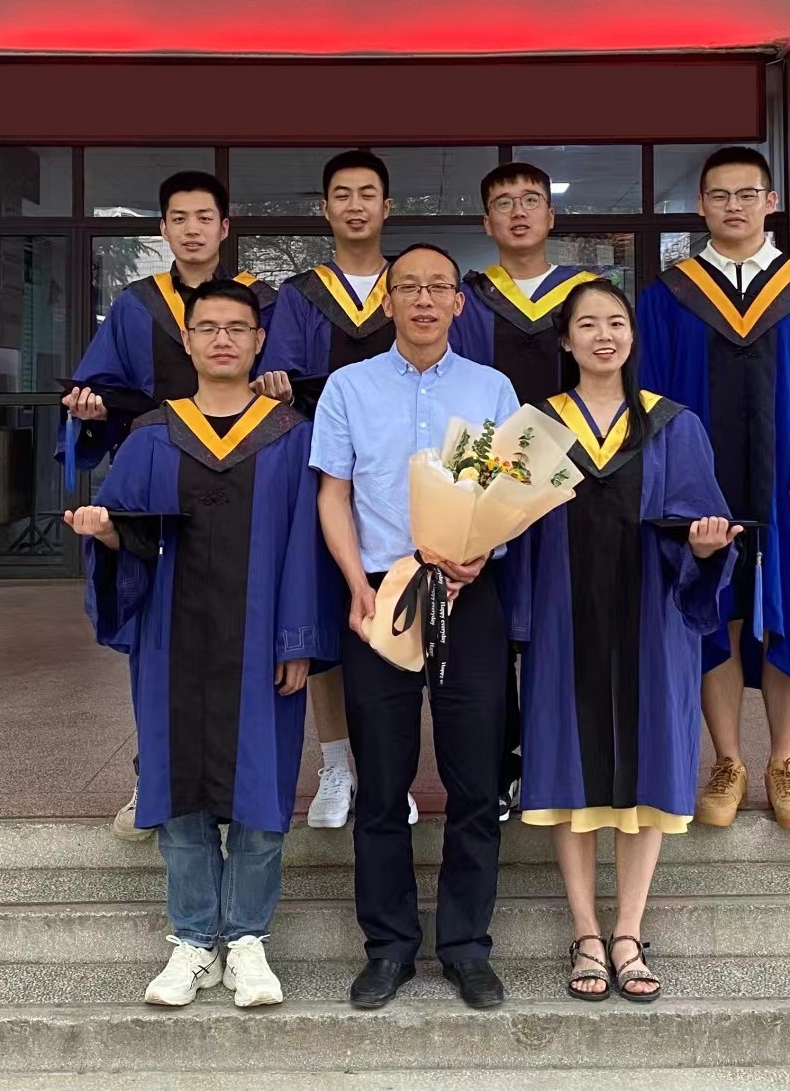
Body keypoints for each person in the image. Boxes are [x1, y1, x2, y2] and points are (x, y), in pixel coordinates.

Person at [65, 279, 338, 1008]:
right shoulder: (152, 435)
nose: (222, 339)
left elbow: (307, 546)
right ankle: (192, 937)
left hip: (262, 642)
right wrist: (104, 533)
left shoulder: (291, 436)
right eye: (208, 327)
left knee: (260, 787)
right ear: (186, 342)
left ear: (258, 342)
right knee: (177, 784)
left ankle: (246, 938)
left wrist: (298, 638)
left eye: (236, 328)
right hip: (172, 639)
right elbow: (128, 531)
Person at [508, 280, 738, 1003]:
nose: (602, 335)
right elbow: (510, 531)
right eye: (587, 324)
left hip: (652, 620)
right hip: (564, 620)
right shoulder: (535, 426)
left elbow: (702, 523)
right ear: (565, 339)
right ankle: (585, 931)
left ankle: (629, 933)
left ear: (632, 336)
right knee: (569, 774)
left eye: (615, 322)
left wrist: (706, 547)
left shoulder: (674, 425)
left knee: (649, 769)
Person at [310, 243, 519, 1011]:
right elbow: (333, 494)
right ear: (387, 300)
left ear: (459, 302)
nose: (424, 299)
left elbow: (507, 490)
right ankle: (389, 946)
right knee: (380, 781)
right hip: (382, 596)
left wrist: (482, 549)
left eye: (438, 287)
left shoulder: (490, 388)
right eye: (409, 287)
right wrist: (354, 584)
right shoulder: (348, 386)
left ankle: (465, 946)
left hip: (471, 597)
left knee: (475, 781)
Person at [637, 147, 790, 832]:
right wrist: (669, 480)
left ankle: (785, 761)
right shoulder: (669, 294)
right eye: (719, 195)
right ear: (701, 205)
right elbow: (649, 392)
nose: (732, 206)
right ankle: (728, 761)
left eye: (746, 194)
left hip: (788, 484)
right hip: (699, 485)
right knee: (712, 611)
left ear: (770, 201)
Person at [57, 170, 278, 842]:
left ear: (224, 227)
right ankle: (152, 773)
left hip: (246, 479)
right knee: (160, 640)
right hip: (161, 480)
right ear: (162, 229)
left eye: (204, 217)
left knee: (247, 635)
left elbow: (292, 382)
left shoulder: (262, 303)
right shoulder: (136, 305)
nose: (191, 229)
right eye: (178, 218)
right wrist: (90, 409)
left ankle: (242, 782)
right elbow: (100, 388)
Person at [253, 150, 415, 831]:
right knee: (327, 612)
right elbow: (279, 383)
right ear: (325, 209)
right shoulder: (299, 295)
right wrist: (274, 386)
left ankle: (388, 767)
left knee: (402, 613)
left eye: (367, 193)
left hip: (403, 478)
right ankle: (337, 764)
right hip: (324, 475)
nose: (355, 205)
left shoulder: (412, 285)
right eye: (342, 194)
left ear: (387, 207)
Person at [450, 161, 608, 822]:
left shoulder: (586, 296)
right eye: (504, 203)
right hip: (488, 491)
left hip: (577, 488)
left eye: (531, 200)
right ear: (486, 222)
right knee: (490, 631)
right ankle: (500, 766)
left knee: (562, 624)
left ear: (551, 215)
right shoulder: (467, 300)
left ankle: (561, 763)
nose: (518, 212)